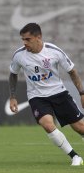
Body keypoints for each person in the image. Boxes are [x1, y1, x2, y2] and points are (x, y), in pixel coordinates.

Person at [9, 23, 84, 166]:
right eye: (23, 40)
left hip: (59, 93)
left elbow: (72, 71)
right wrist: (12, 96)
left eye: (28, 39)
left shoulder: (54, 52)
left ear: (39, 37)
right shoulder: (19, 55)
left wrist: (82, 93)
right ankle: (75, 156)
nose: (25, 43)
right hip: (37, 97)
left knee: (80, 128)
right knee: (48, 125)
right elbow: (13, 74)